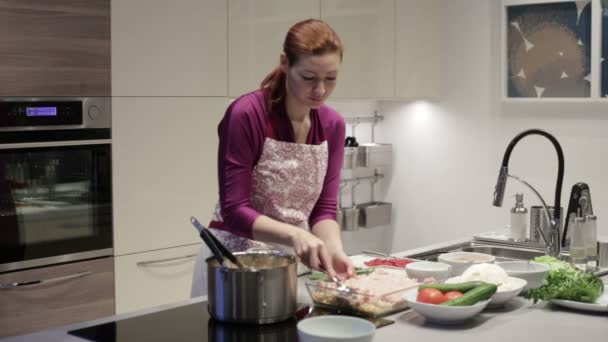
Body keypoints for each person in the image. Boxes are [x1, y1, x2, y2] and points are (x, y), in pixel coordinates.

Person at [191, 18, 354, 297]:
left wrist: (334, 248)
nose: (320, 91)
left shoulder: (333, 125)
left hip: (288, 266)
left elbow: (323, 209)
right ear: (285, 63)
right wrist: (295, 235)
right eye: (308, 77)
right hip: (234, 264)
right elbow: (234, 210)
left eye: (331, 78)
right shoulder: (247, 114)